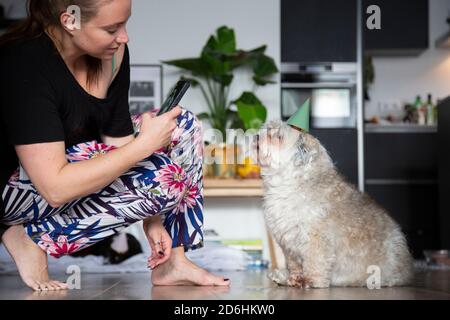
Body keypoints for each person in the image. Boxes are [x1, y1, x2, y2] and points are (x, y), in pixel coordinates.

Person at [0, 0, 230, 291]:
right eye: (111, 28)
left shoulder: (113, 54)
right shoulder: (25, 63)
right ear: (70, 20)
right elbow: (54, 188)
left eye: (125, 23)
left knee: (181, 124)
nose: (124, 37)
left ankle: (173, 261)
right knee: (165, 178)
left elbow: (117, 141)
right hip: (20, 189)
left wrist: (153, 217)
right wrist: (145, 146)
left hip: (77, 169)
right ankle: (29, 237)